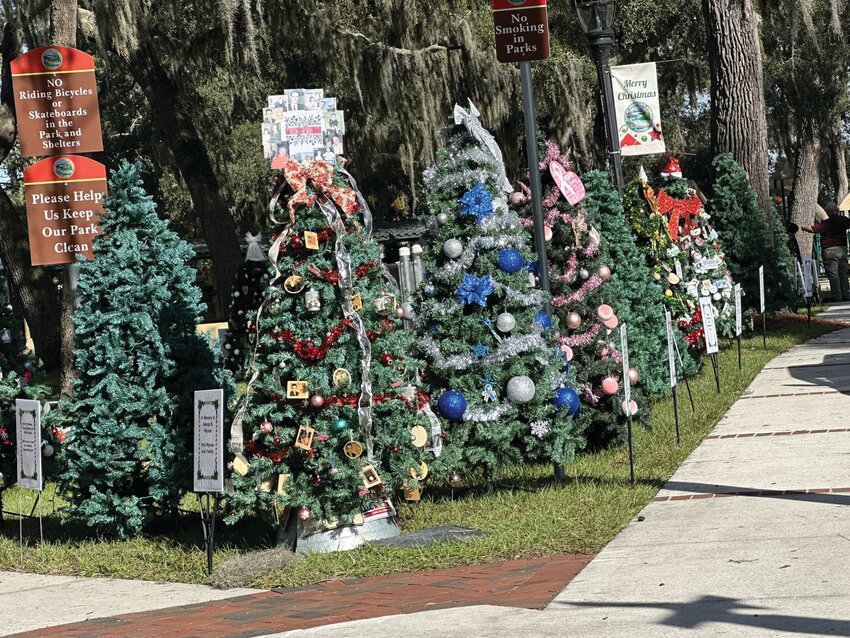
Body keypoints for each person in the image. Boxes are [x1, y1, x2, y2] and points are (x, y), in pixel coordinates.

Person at [802, 201, 850, 301]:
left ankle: (837, 296)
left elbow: (813, 229)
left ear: (827, 212)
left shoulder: (826, 223)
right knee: (843, 273)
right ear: (836, 210)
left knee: (833, 275)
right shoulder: (844, 220)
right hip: (842, 249)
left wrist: (803, 227)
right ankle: (846, 294)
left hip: (829, 251)